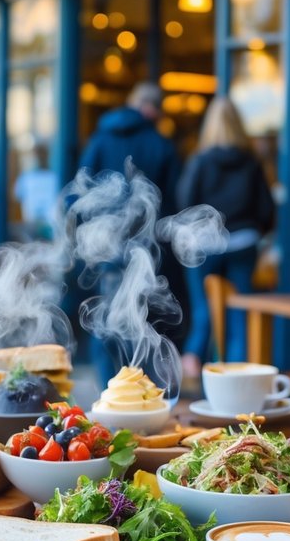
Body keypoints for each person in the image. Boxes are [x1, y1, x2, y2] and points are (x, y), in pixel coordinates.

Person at [78, 82, 182, 385]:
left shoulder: (100, 139)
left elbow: (80, 190)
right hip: (146, 248)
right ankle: (135, 392)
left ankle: (107, 390)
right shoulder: (161, 144)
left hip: (104, 245)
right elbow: (172, 203)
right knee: (140, 320)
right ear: (155, 110)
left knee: (106, 316)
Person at [177, 97, 275, 379]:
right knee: (238, 318)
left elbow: (186, 201)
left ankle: (194, 362)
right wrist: (256, 230)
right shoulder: (251, 162)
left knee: (203, 312)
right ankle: (234, 379)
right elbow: (266, 209)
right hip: (243, 243)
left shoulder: (201, 160)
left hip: (204, 246)